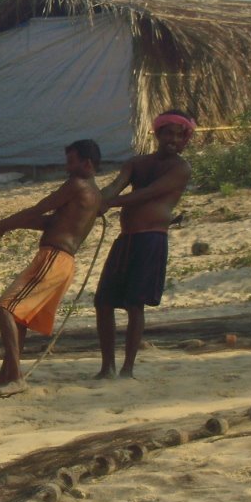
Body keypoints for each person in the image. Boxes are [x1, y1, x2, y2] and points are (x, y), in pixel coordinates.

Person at [0, 140, 103, 394]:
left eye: (71, 161)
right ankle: (5, 377)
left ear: (87, 163)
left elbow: (38, 209)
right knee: (17, 317)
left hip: (54, 258)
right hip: (61, 261)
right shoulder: (95, 194)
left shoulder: (77, 185)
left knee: (4, 308)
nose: (67, 167)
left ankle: (16, 377)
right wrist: (7, 226)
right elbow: (50, 222)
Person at [94, 110, 195, 379]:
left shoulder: (180, 168)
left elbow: (147, 194)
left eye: (179, 134)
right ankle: (107, 367)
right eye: (168, 133)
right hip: (126, 239)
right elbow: (115, 185)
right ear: (158, 134)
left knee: (134, 304)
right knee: (103, 302)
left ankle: (127, 368)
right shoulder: (136, 163)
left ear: (185, 139)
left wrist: (108, 203)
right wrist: (95, 200)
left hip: (151, 238)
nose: (173, 139)